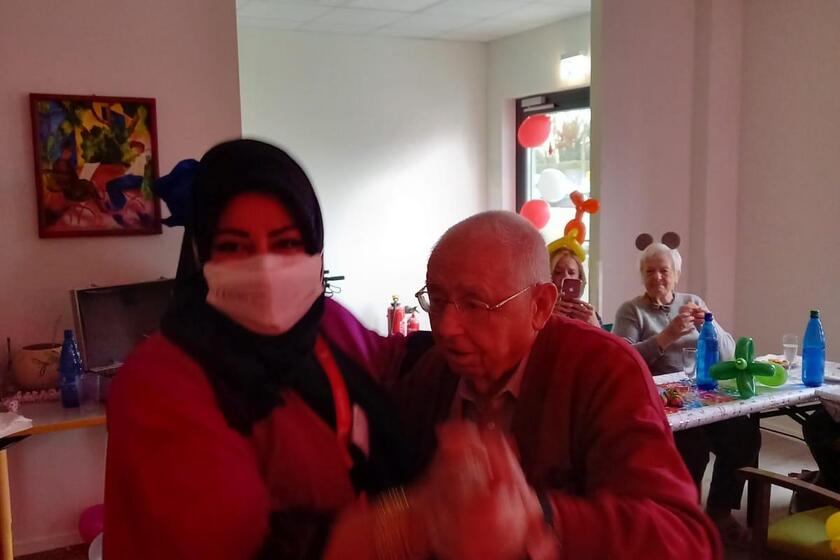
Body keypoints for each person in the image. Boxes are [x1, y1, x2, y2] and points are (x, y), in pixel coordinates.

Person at [104, 140, 537, 560]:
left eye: (287, 243)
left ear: (315, 246)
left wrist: (508, 339)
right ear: (201, 256)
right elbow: (230, 545)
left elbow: (393, 358)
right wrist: (422, 524)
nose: (265, 268)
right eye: (234, 247)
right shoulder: (159, 385)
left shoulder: (322, 323)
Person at [397, 211, 722, 559]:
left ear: (540, 306)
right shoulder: (435, 371)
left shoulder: (603, 368)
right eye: (437, 300)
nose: (446, 328)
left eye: (475, 304)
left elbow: (685, 541)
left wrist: (539, 519)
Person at [612, 240, 760, 547]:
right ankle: (683, 519)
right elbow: (621, 359)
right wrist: (666, 336)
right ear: (642, 276)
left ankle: (719, 512)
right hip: (662, 401)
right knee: (692, 445)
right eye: (650, 271)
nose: (657, 277)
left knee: (744, 433)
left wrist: (710, 326)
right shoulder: (631, 311)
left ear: (676, 275)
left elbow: (729, 352)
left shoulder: (692, 301)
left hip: (702, 394)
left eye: (664, 271)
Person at [547, 238, 601, 328]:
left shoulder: (588, 314)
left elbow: (605, 338)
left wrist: (595, 326)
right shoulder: (538, 312)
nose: (565, 277)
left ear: (580, 277)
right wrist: (547, 318)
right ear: (549, 277)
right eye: (558, 272)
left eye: (571, 272)